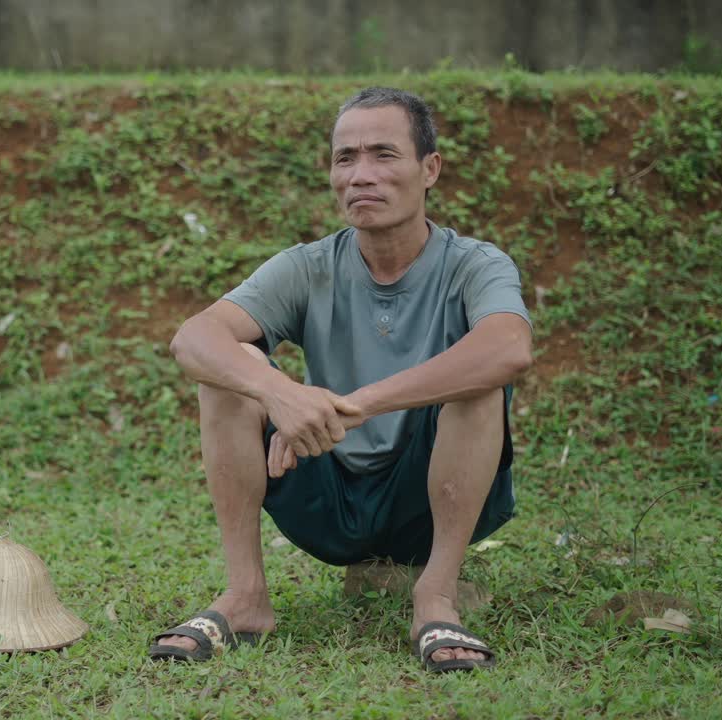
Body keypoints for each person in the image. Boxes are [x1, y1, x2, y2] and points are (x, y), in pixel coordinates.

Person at [150, 87, 533, 673]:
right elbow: (192, 339)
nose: (360, 175)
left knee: (477, 381)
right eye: (344, 158)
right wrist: (281, 393)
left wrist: (357, 405)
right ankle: (245, 597)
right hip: (326, 499)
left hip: (430, 506)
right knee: (230, 371)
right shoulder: (308, 267)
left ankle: (435, 597)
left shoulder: (474, 265)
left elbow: (509, 348)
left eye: (384, 154)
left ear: (430, 169)